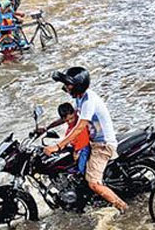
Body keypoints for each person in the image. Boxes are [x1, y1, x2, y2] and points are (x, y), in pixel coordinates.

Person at [45, 67, 128, 212]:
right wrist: (45, 128)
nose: (66, 87)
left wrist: (57, 146)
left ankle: (123, 207)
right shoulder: (80, 99)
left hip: (102, 145)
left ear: (78, 86)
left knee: (93, 183)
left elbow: (79, 127)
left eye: (68, 85)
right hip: (93, 142)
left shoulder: (88, 101)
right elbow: (70, 117)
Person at [59, 103, 91, 174]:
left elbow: (82, 142)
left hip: (84, 148)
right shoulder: (69, 130)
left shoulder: (79, 125)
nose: (70, 121)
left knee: (81, 168)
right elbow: (68, 140)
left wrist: (76, 152)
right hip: (78, 149)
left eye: (71, 118)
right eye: (67, 120)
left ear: (75, 113)